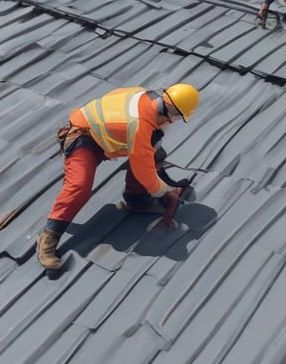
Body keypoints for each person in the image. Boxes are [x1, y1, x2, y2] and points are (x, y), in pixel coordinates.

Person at [35, 84, 199, 270]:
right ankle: (48, 238)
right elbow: (144, 172)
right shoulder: (140, 126)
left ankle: (136, 200)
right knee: (79, 186)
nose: (175, 122)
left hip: (102, 135)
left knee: (155, 154)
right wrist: (166, 192)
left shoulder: (144, 95)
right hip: (82, 136)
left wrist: (166, 182)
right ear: (170, 111)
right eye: (177, 117)